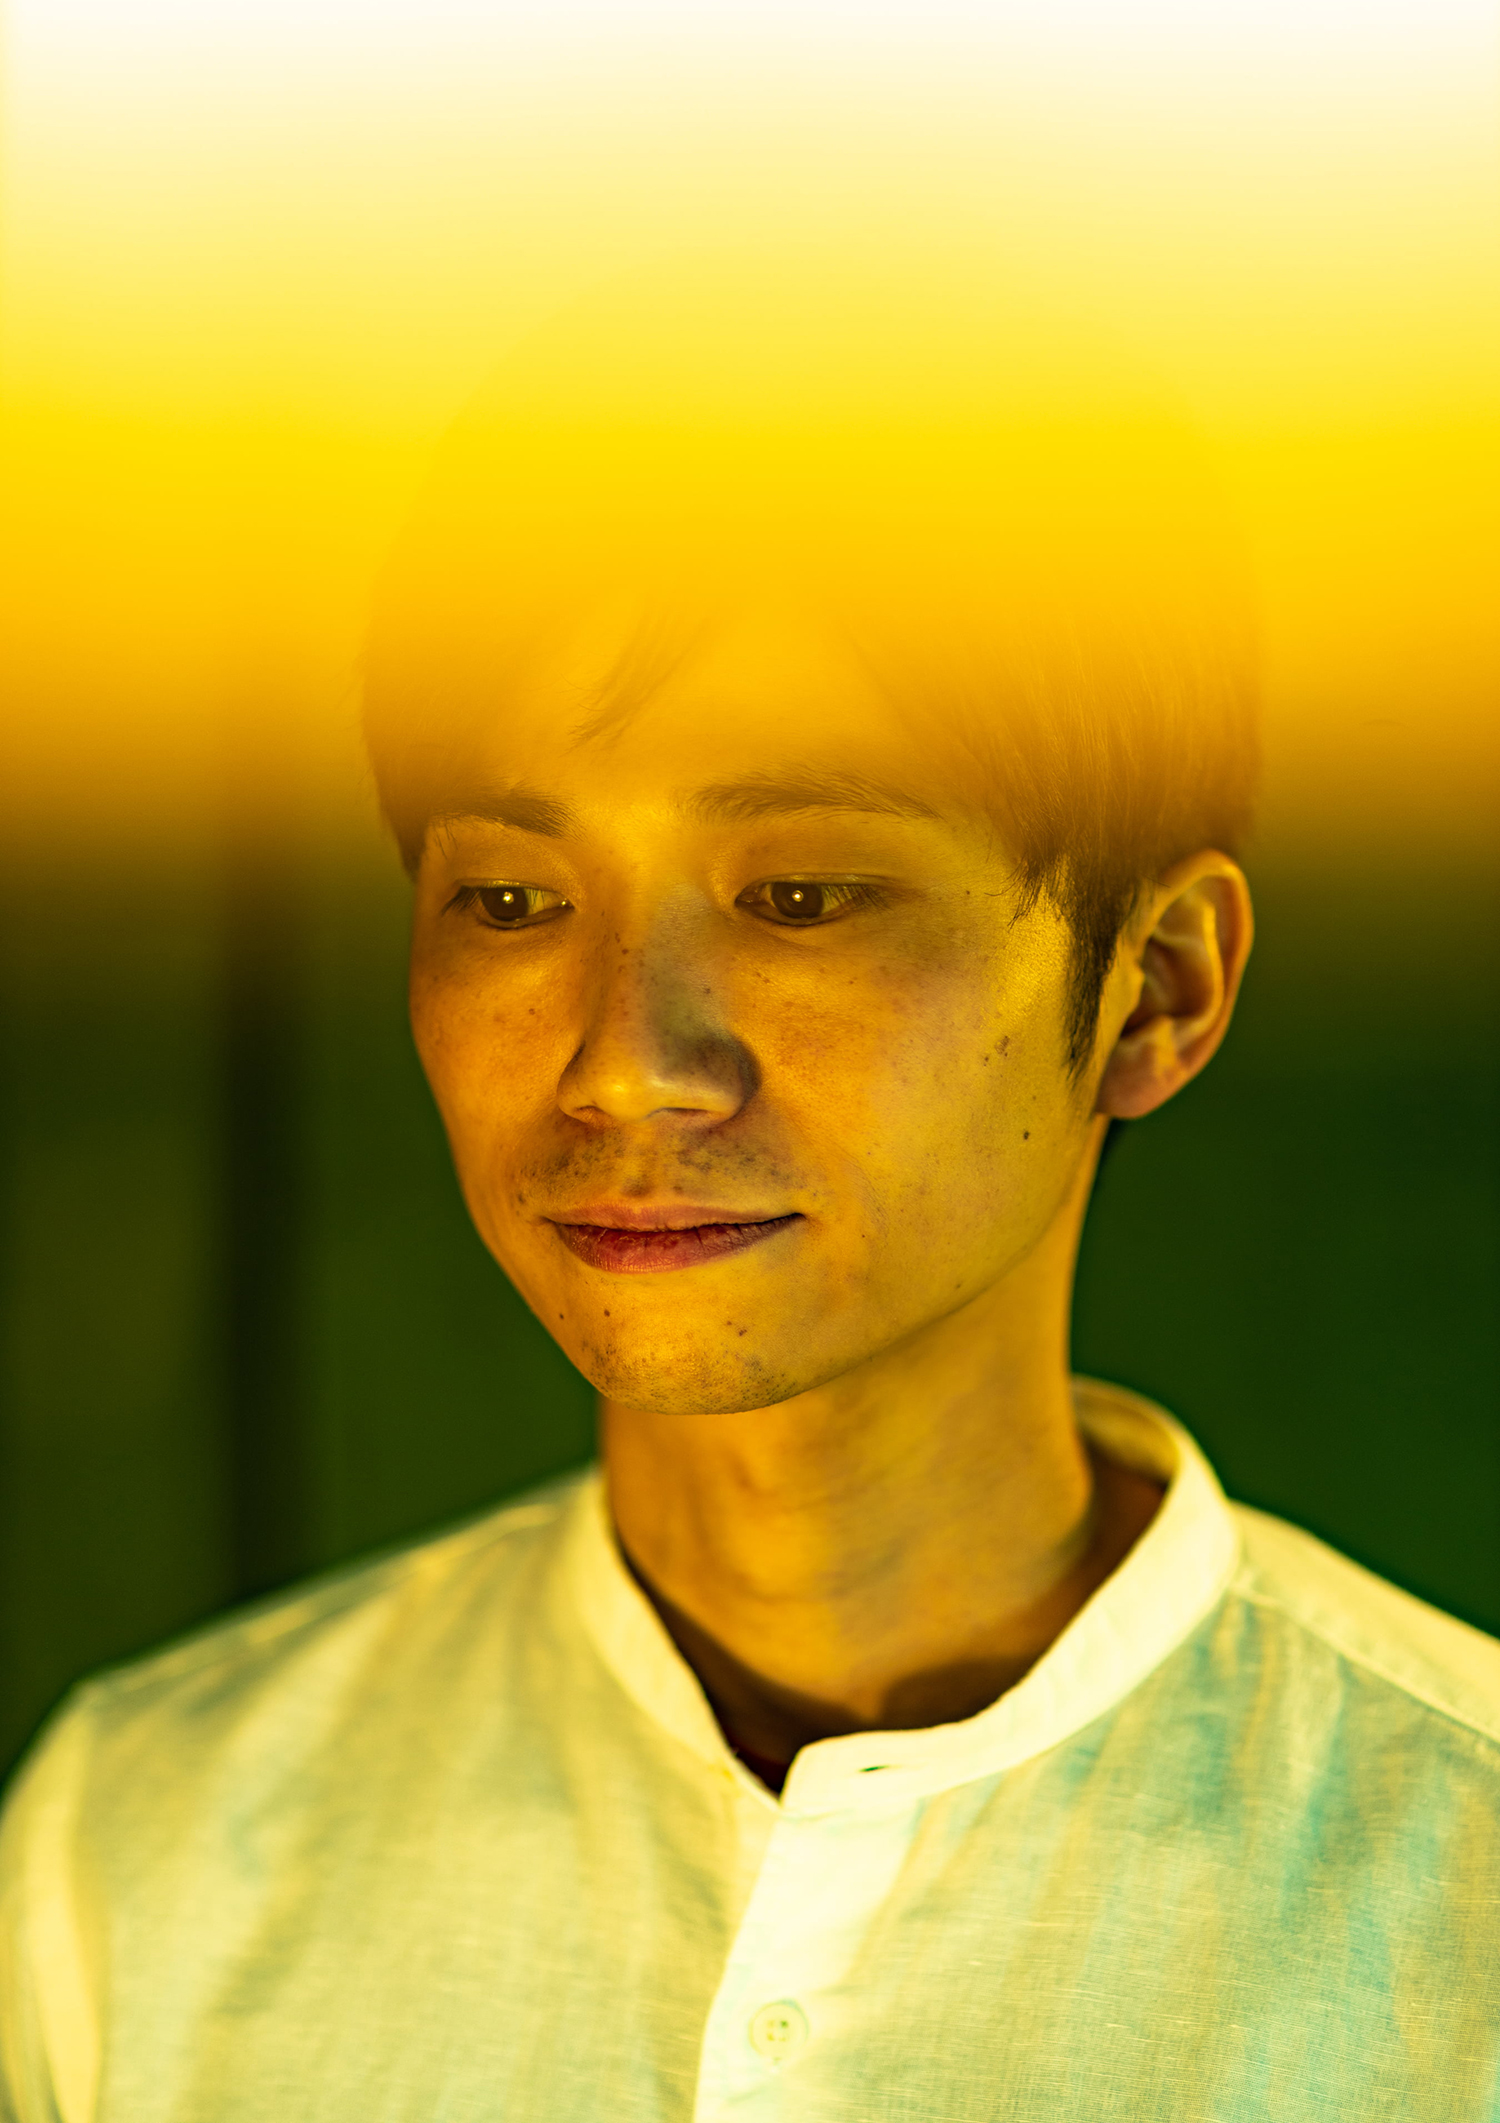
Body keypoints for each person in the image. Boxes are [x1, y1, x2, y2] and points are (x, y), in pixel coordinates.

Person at [2, 257, 1497, 2121]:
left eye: (804, 897)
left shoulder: (1460, 1887)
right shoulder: (139, 1850)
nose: (624, 1056)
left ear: (1158, 985)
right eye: (512, 900)